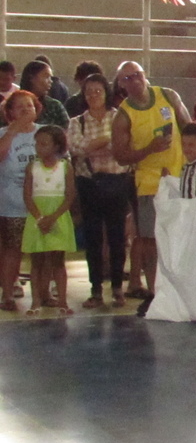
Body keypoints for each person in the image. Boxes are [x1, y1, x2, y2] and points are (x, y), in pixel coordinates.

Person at [111, 61, 188, 316]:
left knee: (179, 236)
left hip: (179, 177)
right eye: (127, 78)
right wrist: (149, 149)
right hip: (148, 184)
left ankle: (181, 288)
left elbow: (189, 128)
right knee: (151, 239)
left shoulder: (168, 96)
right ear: (121, 84)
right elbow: (120, 156)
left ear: (145, 75)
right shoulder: (123, 116)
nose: (134, 80)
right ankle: (156, 291)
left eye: (137, 75)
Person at [67, 72, 132, 308]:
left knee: (117, 237)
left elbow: (123, 147)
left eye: (98, 91)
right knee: (92, 238)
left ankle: (117, 287)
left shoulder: (119, 117)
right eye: (89, 92)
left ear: (106, 92)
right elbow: (77, 148)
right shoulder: (77, 122)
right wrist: (106, 140)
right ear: (83, 95)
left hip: (117, 182)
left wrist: (96, 145)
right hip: (89, 183)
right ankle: (95, 289)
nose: (93, 95)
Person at [22, 124, 76, 316]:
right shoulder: (32, 167)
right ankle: (36, 301)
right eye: (37, 143)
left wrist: (53, 217)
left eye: (44, 144)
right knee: (36, 261)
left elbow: (69, 196)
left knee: (58, 261)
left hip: (57, 217)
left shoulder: (65, 167)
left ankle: (62, 301)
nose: (38, 147)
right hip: (37, 217)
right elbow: (27, 196)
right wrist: (39, 218)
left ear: (56, 146)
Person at [0, 91, 40, 311]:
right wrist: (13, 131)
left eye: (29, 105)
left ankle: (43, 293)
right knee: (12, 250)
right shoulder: (3, 133)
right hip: (12, 203)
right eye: (20, 106)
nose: (26, 110)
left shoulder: (45, 132)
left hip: (42, 204)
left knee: (42, 252)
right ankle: (7, 294)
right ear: (10, 112)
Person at [20, 60, 69, 129]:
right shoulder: (13, 104)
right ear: (31, 78)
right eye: (46, 77)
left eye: (50, 77)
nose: (50, 81)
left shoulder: (54, 106)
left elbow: (68, 130)